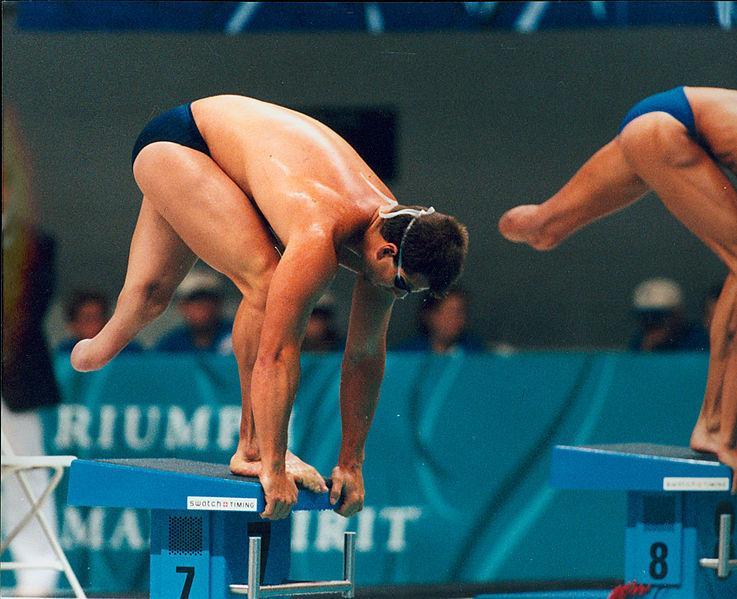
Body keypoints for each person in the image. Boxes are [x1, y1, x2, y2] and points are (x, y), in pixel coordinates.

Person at [69, 95, 469, 519]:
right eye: (404, 285)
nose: (399, 294)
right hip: (182, 145)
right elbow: (276, 353)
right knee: (265, 280)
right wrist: (274, 467)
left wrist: (352, 464)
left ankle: (87, 354)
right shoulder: (321, 230)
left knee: (146, 300)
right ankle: (251, 447)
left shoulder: (391, 231)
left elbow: (365, 356)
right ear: (387, 252)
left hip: (218, 153)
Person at [498, 86, 736, 487]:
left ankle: (499, 221)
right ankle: (714, 427)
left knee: (545, 229)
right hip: (669, 131)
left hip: (659, 118)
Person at [155, 267, 233, 353]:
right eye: (194, 300)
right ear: (182, 306)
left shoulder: (237, 336)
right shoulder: (170, 344)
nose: (202, 306)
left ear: (219, 303)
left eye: (207, 299)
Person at [629, 277, 708, 352]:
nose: (651, 324)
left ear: (677, 315)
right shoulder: (639, 342)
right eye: (645, 319)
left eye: (658, 317)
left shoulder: (699, 339)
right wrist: (646, 350)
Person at [398, 286, 485, 354]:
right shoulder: (406, 355)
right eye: (449, 312)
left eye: (460, 312)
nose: (455, 318)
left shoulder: (477, 354)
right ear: (429, 315)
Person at [57, 289, 143, 353]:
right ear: (73, 325)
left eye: (99, 317)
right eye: (88, 319)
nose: (96, 323)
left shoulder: (130, 350)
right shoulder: (63, 353)